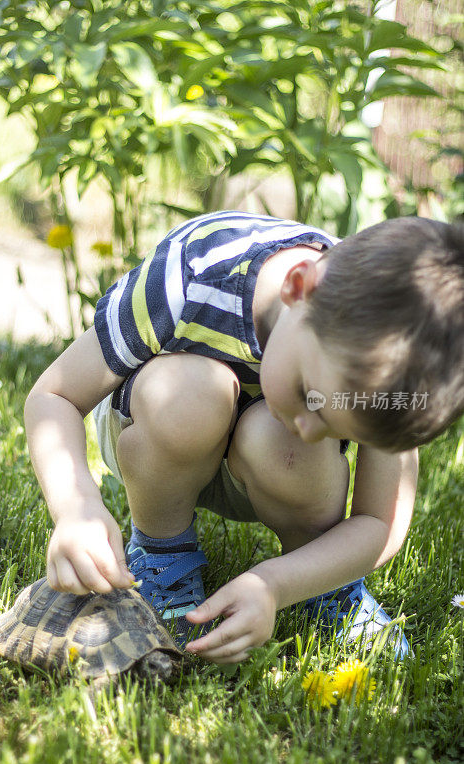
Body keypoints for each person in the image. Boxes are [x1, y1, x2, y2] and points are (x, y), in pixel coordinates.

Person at [24, 211, 464, 663]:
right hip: (159, 433)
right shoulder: (191, 275)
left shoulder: (393, 366)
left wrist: (276, 583)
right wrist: (76, 508)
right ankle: (162, 556)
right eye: (309, 396)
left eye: (336, 428)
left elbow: (380, 521)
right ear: (298, 287)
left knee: (288, 442)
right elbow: (54, 395)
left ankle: (320, 577)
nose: (310, 429)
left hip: (270, 462)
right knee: (191, 394)